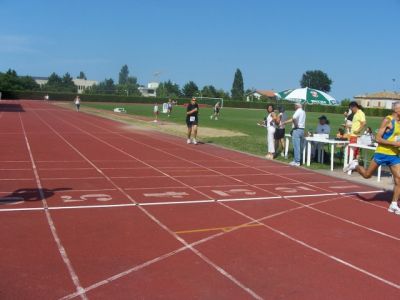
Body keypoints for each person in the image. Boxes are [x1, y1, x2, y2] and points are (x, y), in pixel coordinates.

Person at [344, 101, 400, 215]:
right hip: (381, 153)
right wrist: (394, 143)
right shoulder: (388, 120)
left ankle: (393, 204)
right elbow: (378, 138)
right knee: (367, 175)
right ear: (396, 110)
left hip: (394, 155)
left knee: (399, 179)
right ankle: (355, 166)